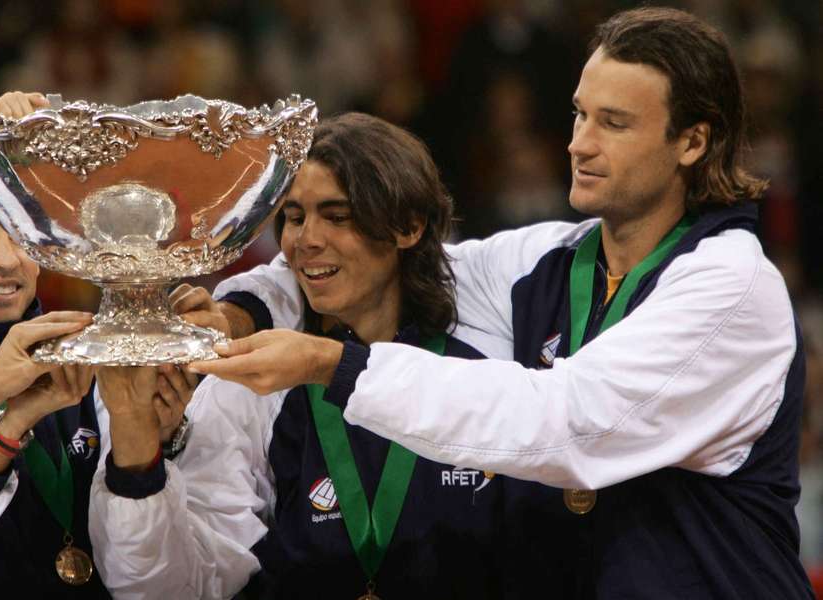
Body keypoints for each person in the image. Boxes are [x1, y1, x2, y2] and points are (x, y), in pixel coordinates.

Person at [192, 8, 813, 598]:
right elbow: (369, 266)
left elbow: (568, 425)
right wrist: (238, 312)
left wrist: (334, 365)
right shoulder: (547, 262)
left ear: (693, 142)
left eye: (614, 123)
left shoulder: (731, 288)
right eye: (579, 115)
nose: (579, 145)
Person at [88, 112, 523, 599]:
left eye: (337, 217)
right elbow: (182, 585)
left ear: (408, 226)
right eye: (294, 218)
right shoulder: (255, 385)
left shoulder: (484, 359)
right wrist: (137, 453)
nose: (305, 240)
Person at [0, 92, 195, 597]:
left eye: (18, 233)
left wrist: (159, 437)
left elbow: (160, 579)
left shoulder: (95, 354)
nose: (5, 260)